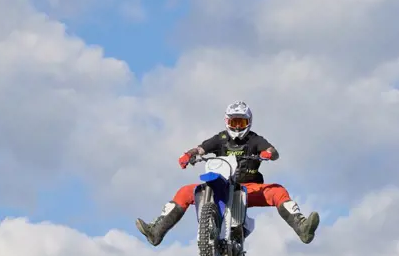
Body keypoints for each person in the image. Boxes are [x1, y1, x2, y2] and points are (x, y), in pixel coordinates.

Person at [135, 100, 320, 247]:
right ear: (227, 121)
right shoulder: (220, 138)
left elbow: (272, 150)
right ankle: (156, 231)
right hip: (220, 186)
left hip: (248, 188)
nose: (238, 127)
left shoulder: (255, 139)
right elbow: (201, 148)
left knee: (278, 191)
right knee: (184, 192)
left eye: (242, 122)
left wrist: (268, 153)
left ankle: (302, 227)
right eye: (234, 122)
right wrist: (188, 154)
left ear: (249, 122)